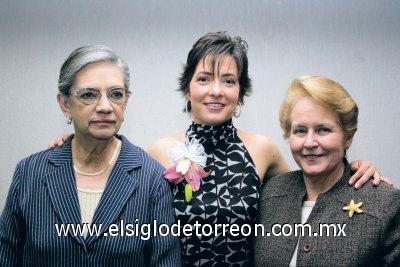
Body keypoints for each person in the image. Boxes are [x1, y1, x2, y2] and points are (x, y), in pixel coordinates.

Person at [47, 33, 389, 266]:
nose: (216, 91)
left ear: (240, 92)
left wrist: (354, 169)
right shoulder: (158, 151)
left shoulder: (263, 150)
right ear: (187, 89)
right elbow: (103, 169)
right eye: (204, 78)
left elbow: (311, 191)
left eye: (229, 80)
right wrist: (72, 145)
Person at [0, 45, 181, 266]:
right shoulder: (30, 173)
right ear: (65, 104)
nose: (105, 106)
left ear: (126, 101)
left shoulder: (151, 178)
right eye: (88, 95)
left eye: (116, 94)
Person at [254, 76, 400, 266]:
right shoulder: (269, 195)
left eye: (323, 130)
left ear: (348, 137)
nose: (310, 142)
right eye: (300, 131)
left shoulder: (384, 204)